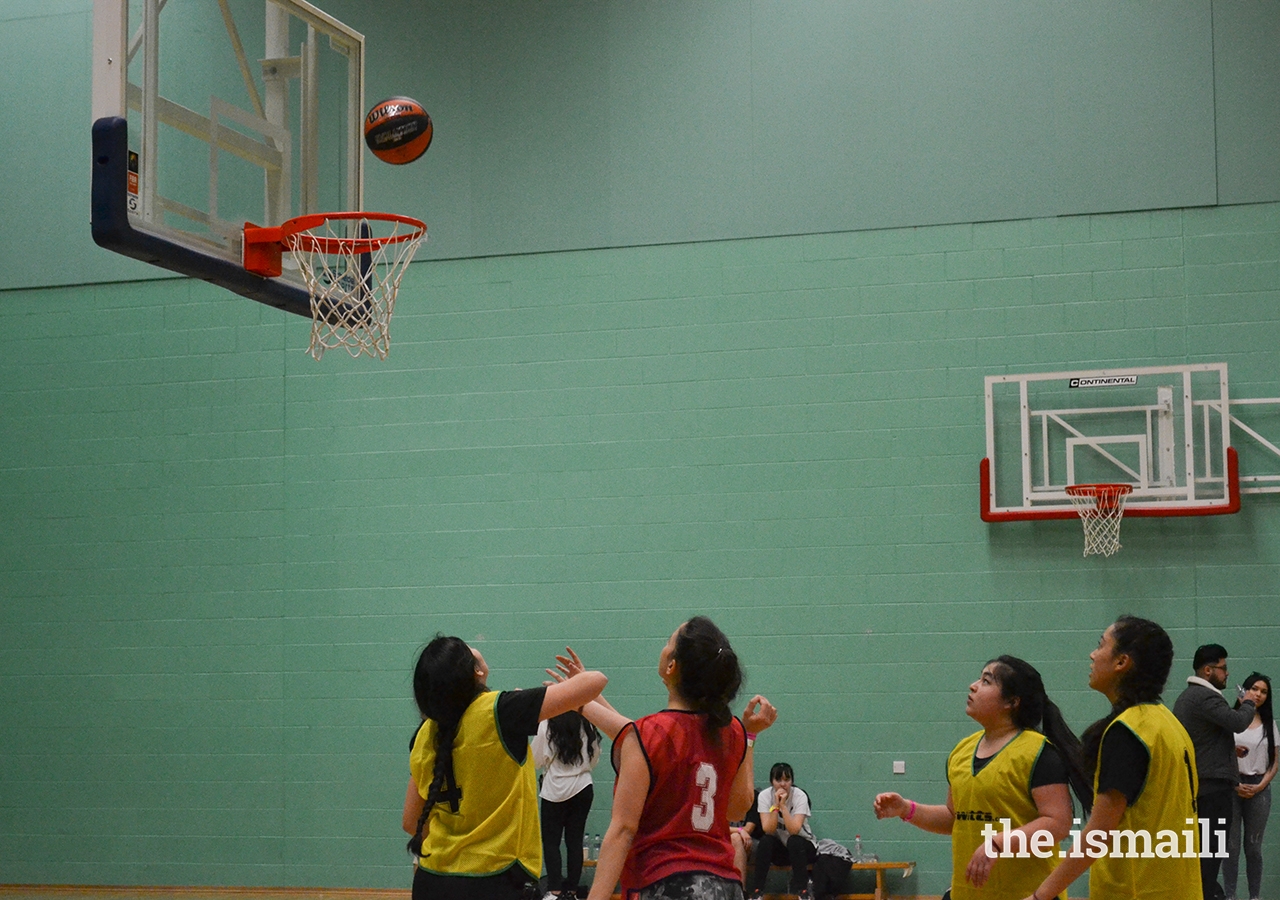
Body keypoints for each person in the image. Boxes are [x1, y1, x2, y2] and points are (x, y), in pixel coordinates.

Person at [559, 617, 778, 900]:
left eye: (668, 642)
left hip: (667, 884)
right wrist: (749, 737)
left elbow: (623, 829)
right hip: (723, 886)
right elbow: (737, 809)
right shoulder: (731, 730)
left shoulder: (651, 734)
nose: (663, 647)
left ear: (672, 666)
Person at [401, 635, 607, 900]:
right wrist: (577, 676)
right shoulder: (502, 711)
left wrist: (458, 844)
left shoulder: (423, 734)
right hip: (496, 881)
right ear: (475, 671)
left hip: (432, 880)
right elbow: (596, 681)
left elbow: (410, 821)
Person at [873, 656, 1089, 900]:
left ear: (1011, 702)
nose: (973, 685)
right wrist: (907, 809)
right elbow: (957, 818)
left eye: (986, 681)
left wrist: (997, 844)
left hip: (1026, 894)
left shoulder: (1039, 752)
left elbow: (1057, 824)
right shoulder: (961, 751)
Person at [1024, 615, 1201, 900]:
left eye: (1101, 645)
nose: (1093, 655)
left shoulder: (1128, 731)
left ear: (1122, 662)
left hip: (1136, 891)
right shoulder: (1169, 725)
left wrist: (1041, 895)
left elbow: (1098, 835)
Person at [1174, 643, 1257, 900]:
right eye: (1223, 668)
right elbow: (1238, 722)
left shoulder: (1190, 697)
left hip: (1204, 788)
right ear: (1208, 670)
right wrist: (1248, 703)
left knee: (1207, 856)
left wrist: (1230, 751)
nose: (1227, 674)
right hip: (1211, 792)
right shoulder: (1204, 696)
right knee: (1210, 856)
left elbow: (1202, 741)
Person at [533, 710, 602, 900]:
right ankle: (572, 891)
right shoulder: (587, 721)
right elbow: (595, 755)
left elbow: (536, 758)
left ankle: (554, 891)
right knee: (575, 840)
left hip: (555, 787)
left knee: (551, 841)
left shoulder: (547, 723)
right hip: (583, 786)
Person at [1225, 673, 1278, 900]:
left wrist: (1260, 786)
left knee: (1254, 848)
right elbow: (1219, 755)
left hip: (1258, 788)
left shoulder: (1269, 724)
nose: (1258, 694)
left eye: (1263, 691)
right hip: (1232, 786)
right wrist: (1234, 784)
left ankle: (1254, 896)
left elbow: (1275, 761)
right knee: (1231, 847)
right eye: (1254, 689)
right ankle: (1230, 896)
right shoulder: (1231, 719)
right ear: (1244, 690)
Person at [747, 762, 818, 900]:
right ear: (772, 782)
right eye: (778, 780)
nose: (783, 784)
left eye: (787, 780)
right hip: (782, 851)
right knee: (766, 841)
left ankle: (803, 892)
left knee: (794, 841)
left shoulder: (800, 796)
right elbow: (768, 829)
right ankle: (757, 892)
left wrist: (784, 807)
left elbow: (794, 829)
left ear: (792, 781)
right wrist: (775, 806)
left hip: (804, 848)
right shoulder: (764, 796)